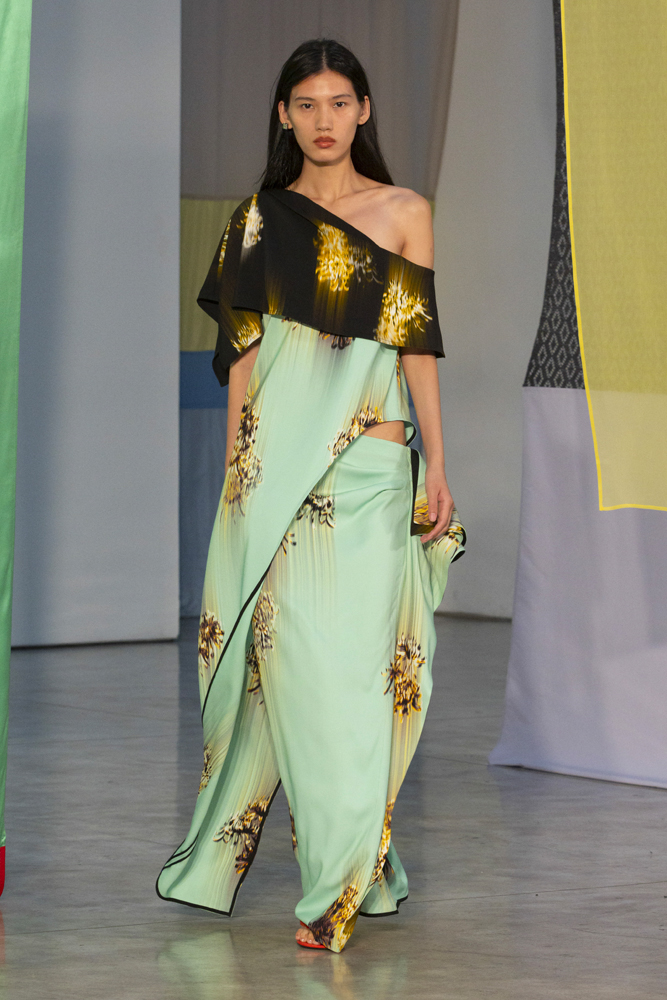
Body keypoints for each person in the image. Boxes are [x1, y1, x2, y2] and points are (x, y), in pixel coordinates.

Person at [157, 37, 465, 953]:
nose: (323, 120)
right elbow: (245, 360)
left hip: (371, 473)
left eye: (338, 103)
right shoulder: (259, 221)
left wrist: (438, 463)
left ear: (363, 110)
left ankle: (339, 883)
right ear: (284, 116)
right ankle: (358, 869)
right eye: (305, 104)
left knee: (352, 677)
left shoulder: (404, 211)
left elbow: (415, 346)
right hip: (276, 479)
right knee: (293, 678)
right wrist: (236, 476)